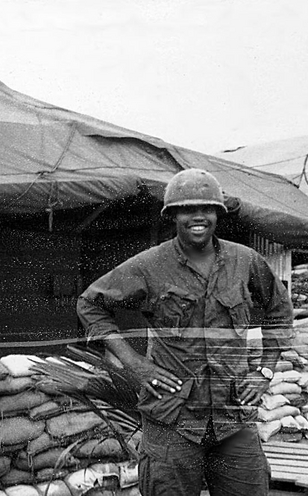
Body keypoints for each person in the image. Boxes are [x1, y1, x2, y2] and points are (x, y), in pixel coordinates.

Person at [77, 168, 294, 496]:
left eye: (206, 209)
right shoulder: (150, 265)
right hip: (172, 417)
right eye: (188, 209)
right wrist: (133, 363)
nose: (198, 217)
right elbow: (90, 304)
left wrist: (264, 370)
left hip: (231, 415)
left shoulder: (245, 261)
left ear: (217, 214)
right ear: (173, 215)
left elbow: (279, 309)